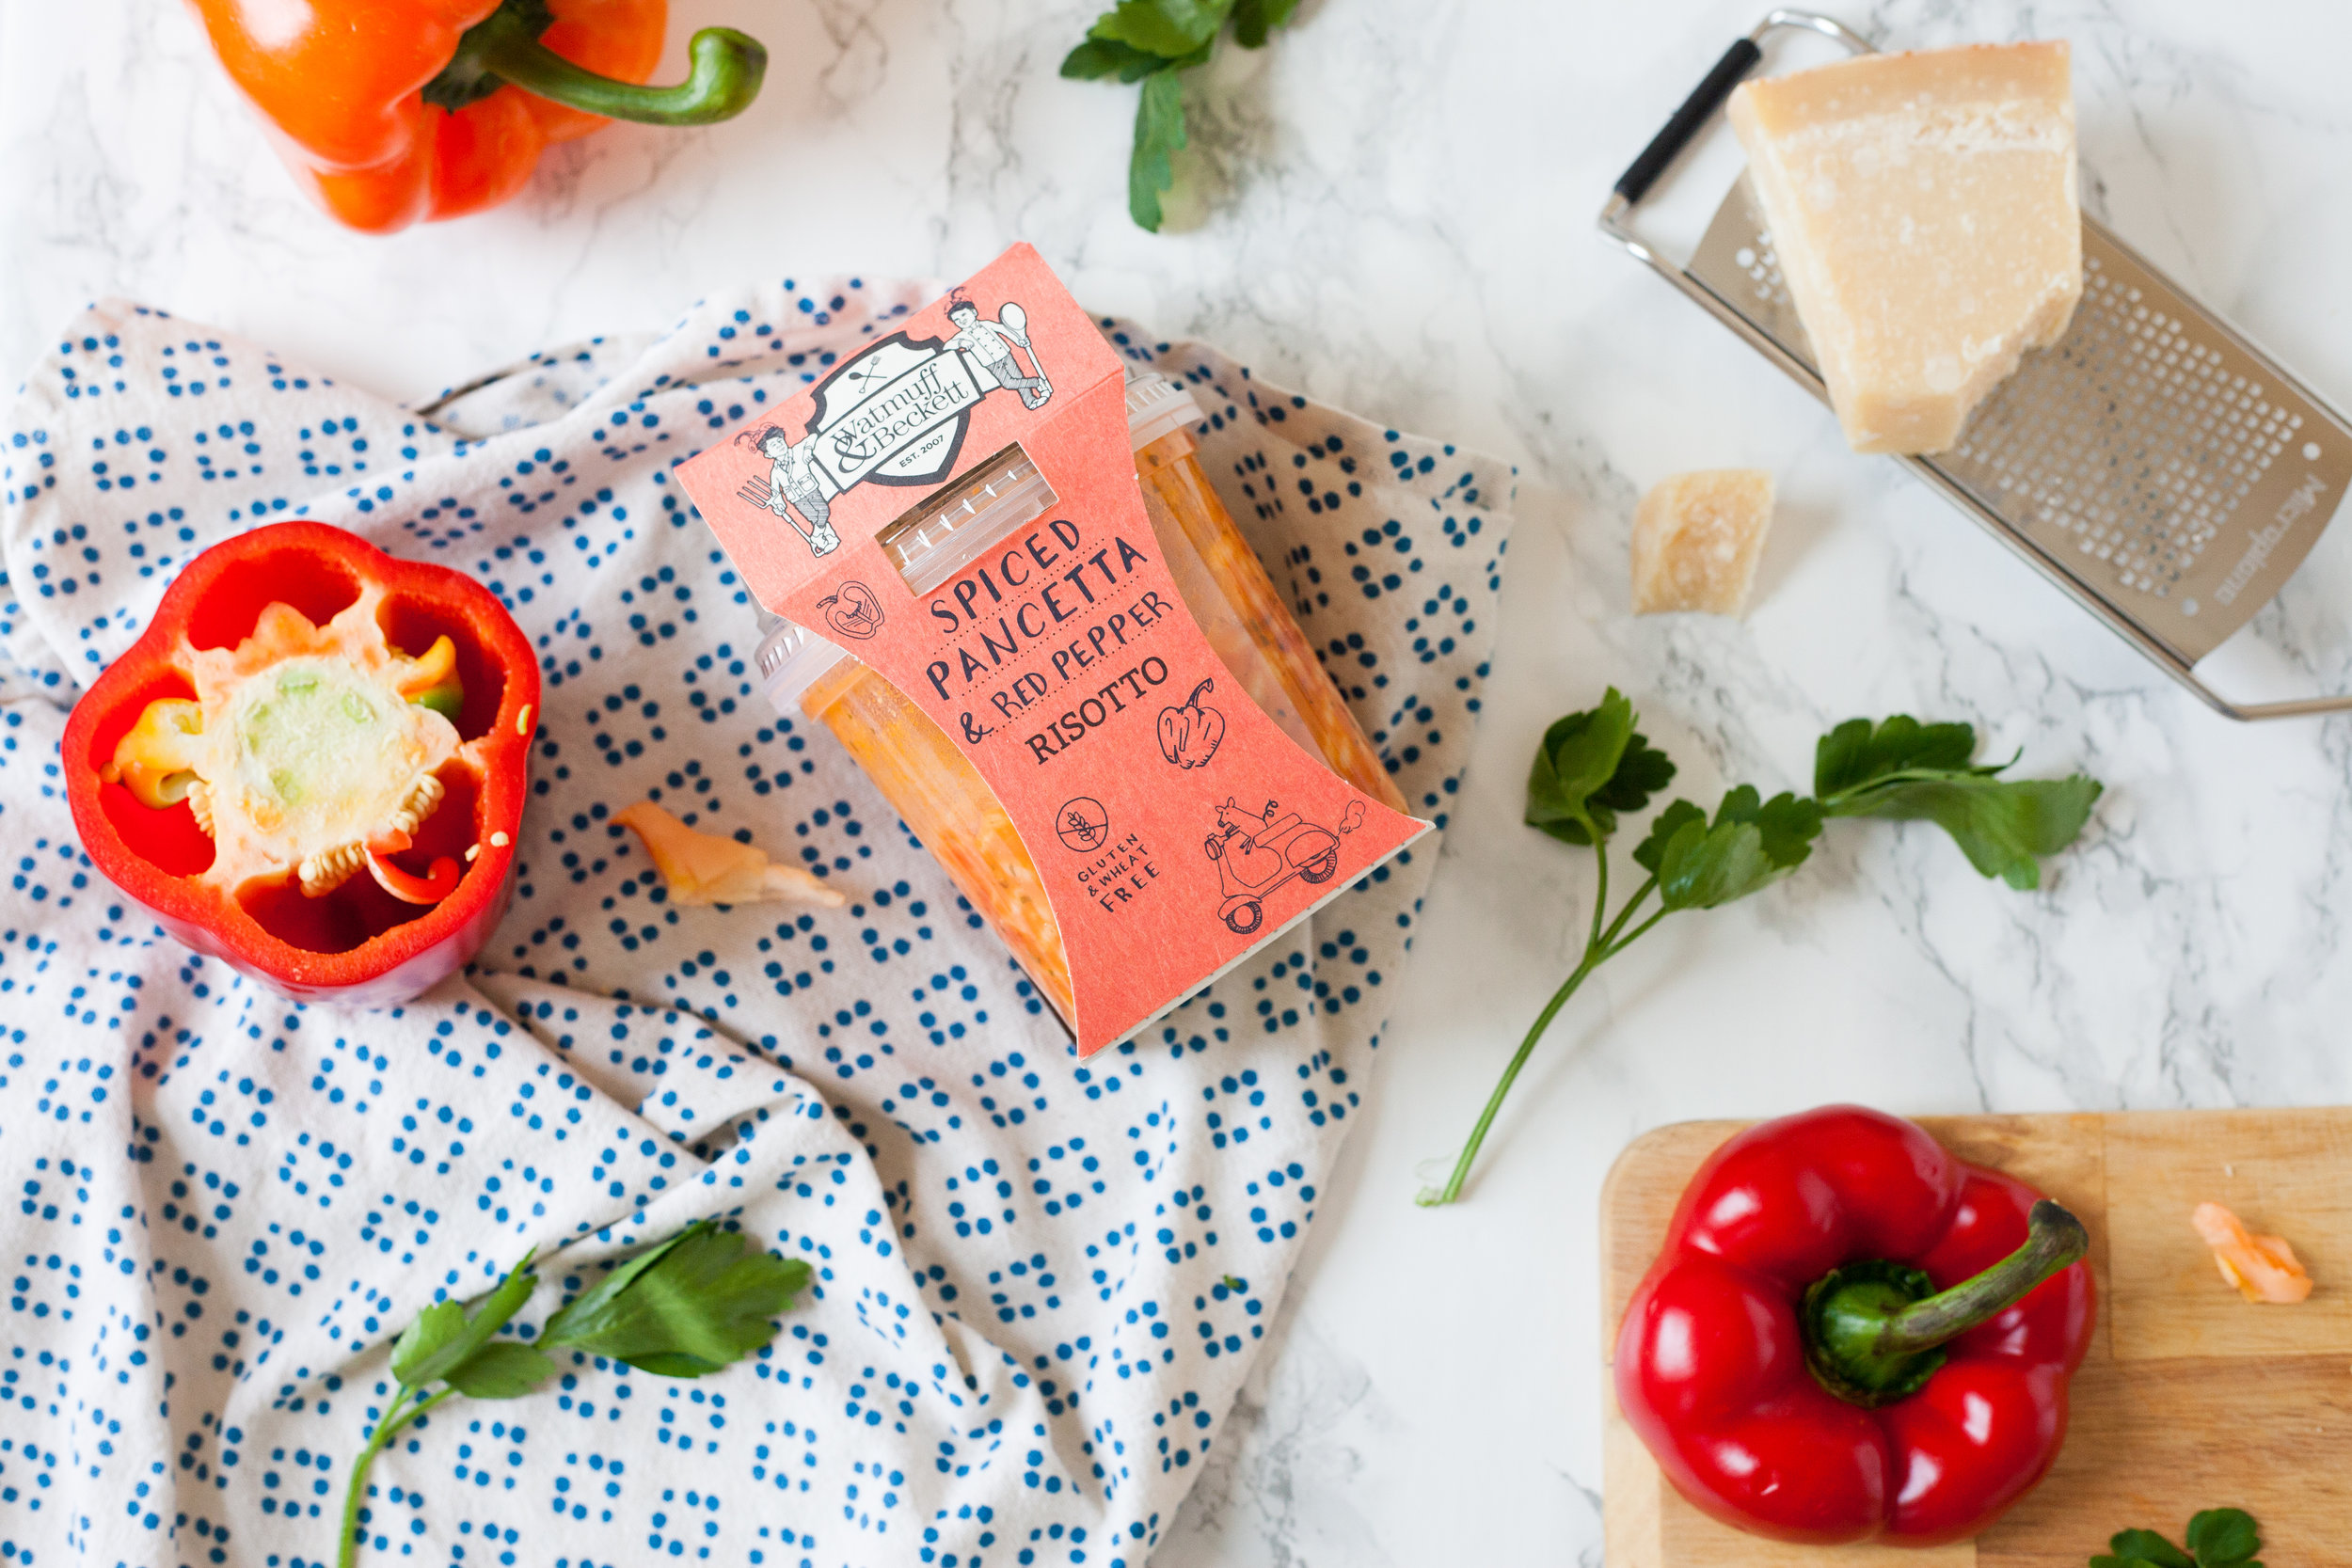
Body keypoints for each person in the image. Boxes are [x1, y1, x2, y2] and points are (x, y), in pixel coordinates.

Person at [743, 424, 839, 556]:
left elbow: (813, 436)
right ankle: (828, 541)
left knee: (823, 511)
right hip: (797, 500)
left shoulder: (797, 451)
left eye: (779, 441)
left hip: (811, 491)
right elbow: (775, 492)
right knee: (815, 519)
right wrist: (779, 505)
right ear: (768, 454)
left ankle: (816, 536)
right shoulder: (775, 472)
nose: (779, 445)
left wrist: (808, 450)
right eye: (774, 445)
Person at [946, 295, 1051, 410]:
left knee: (1018, 377)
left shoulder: (986, 324)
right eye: (956, 320)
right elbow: (947, 346)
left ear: (974, 312)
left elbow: (1004, 329)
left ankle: (1030, 401)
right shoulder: (961, 336)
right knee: (1008, 383)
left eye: (963, 315)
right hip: (991, 363)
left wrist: (1019, 341)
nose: (961, 320)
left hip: (1005, 354)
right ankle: (1037, 382)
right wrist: (960, 342)